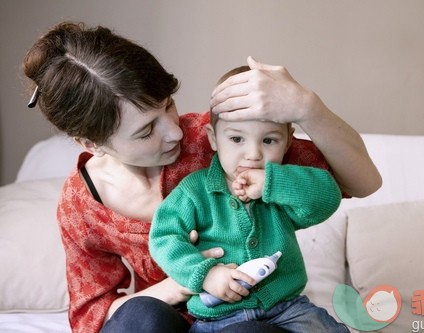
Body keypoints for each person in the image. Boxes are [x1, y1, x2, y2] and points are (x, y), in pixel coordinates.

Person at [22, 21, 380, 333]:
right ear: (91, 143)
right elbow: (92, 315)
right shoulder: (81, 207)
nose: (174, 132)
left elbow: (361, 183)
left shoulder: (220, 140)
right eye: (146, 131)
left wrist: (307, 107)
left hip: (254, 317)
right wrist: (186, 281)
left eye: (168, 104)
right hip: (171, 319)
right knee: (141, 317)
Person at [149, 66, 349, 332]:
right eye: (236, 138)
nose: (253, 154)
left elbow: (328, 198)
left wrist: (273, 182)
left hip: (287, 308)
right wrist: (205, 274)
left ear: (288, 142)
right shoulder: (194, 191)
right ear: (213, 138)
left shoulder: (280, 186)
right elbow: (164, 238)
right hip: (217, 317)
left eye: (268, 140)